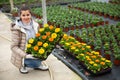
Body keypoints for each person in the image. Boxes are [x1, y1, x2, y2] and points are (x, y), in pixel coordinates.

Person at [10, 5, 48, 74]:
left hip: (34, 49)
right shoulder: (17, 28)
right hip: (23, 52)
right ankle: (22, 66)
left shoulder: (36, 25)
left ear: (31, 15)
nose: (26, 17)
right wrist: (25, 55)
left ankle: (37, 64)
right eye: (23, 15)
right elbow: (13, 47)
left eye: (28, 15)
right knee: (26, 58)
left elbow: (39, 38)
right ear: (20, 16)